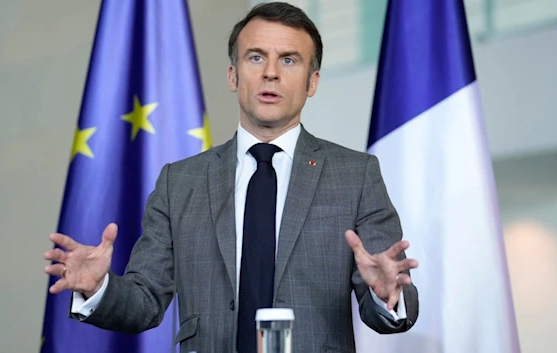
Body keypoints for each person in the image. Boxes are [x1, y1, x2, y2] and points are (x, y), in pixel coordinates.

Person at [43, 2, 419, 352]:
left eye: (289, 60)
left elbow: (390, 310)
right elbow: (144, 302)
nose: (270, 71)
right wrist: (99, 288)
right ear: (233, 76)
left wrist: (388, 293)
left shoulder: (355, 175)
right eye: (256, 57)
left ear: (312, 82)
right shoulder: (180, 182)